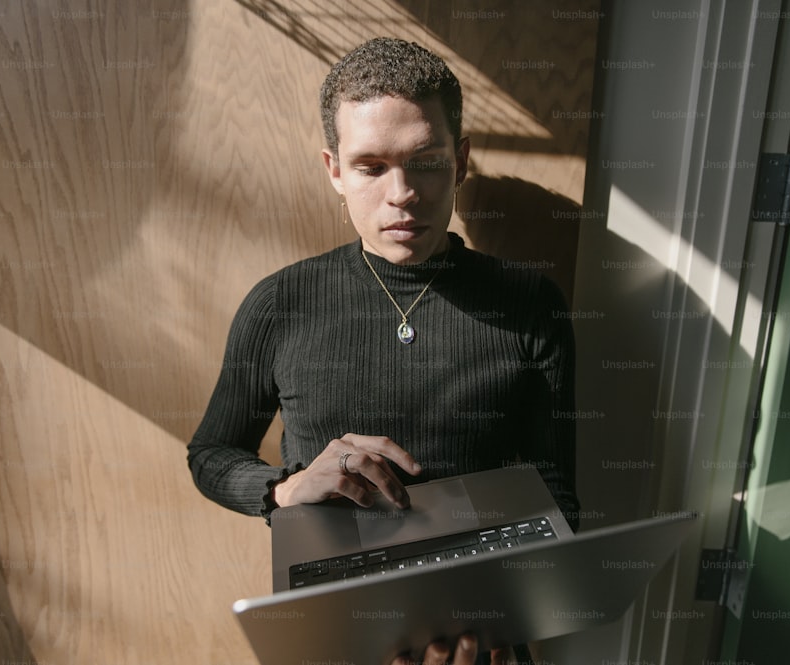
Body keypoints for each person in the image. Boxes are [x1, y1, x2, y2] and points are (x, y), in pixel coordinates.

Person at [187, 37, 579, 665]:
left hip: (477, 636)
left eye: (425, 161)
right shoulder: (280, 302)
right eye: (371, 166)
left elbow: (557, 494)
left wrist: (490, 616)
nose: (402, 194)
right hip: (331, 635)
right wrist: (284, 490)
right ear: (334, 170)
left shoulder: (533, 303)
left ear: (461, 162)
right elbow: (210, 454)